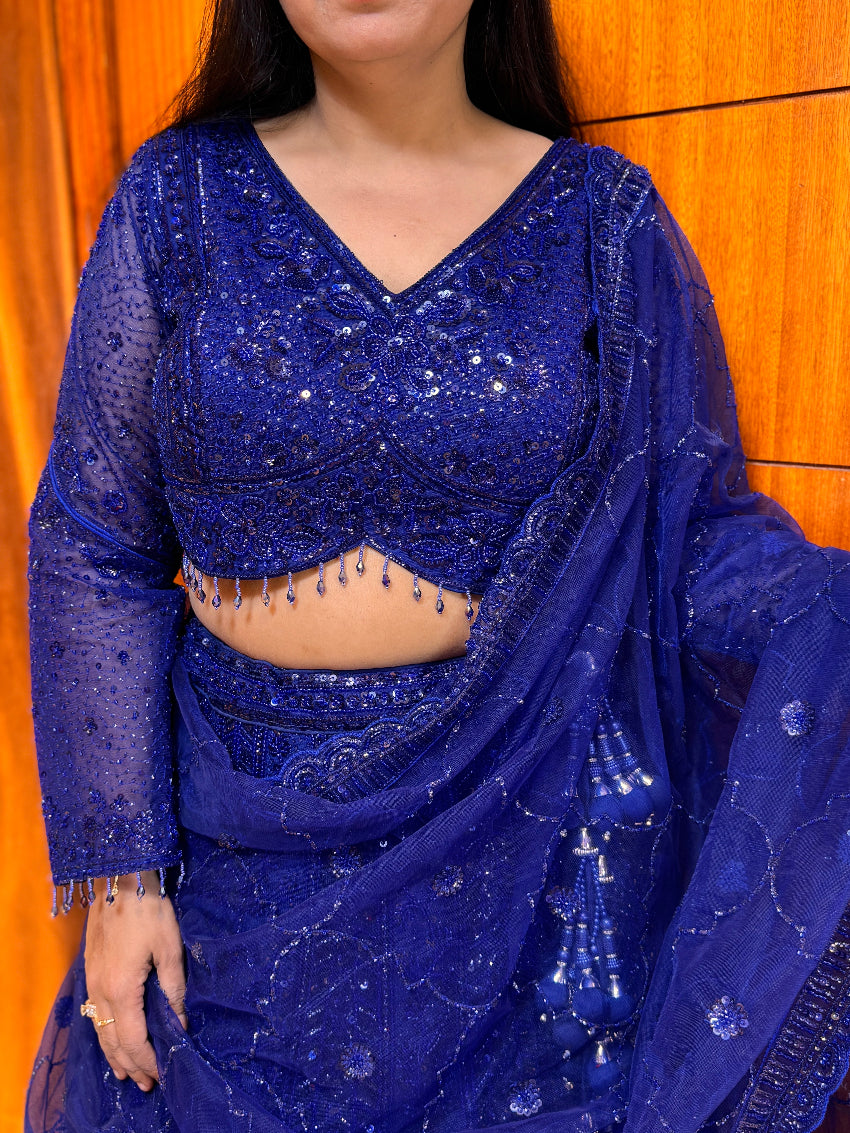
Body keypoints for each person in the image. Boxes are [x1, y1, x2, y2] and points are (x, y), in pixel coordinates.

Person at [24, 0, 850, 1130]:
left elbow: (684, 529)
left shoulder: (601, 223)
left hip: (517, 844)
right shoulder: (178, 198)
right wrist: (121, 877)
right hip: (233, 857)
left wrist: (828, 609)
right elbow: (93, 540)